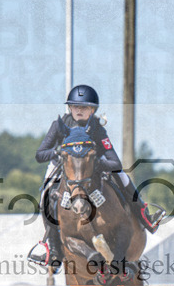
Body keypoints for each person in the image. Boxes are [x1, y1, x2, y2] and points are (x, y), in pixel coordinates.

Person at [27, 84, 165, 269]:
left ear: (92, 110)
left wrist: (97, 165)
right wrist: (58, 152)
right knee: (46, 195)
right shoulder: (59, 126)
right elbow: (40, 154)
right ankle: (52, 250)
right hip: (64, 166)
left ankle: (145, 216)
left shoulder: (97, 129)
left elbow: (115, 162)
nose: (79, 110)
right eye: (75, 106)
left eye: (84, 107)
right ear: (70, 107)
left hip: (93, 166)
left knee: (122, 176)